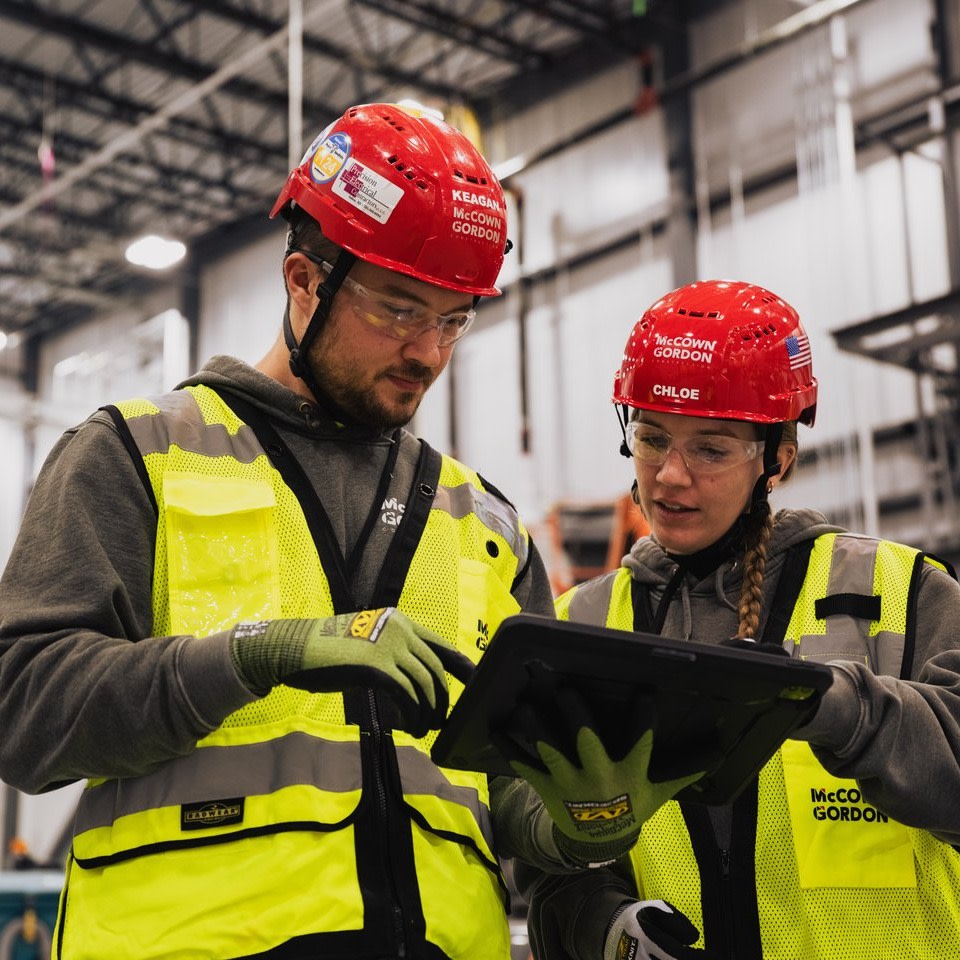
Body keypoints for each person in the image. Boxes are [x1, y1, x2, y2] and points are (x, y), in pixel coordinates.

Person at [0, 103, 653, 960]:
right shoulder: (135, 455)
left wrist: (578, 825)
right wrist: (253, 656)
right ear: (304, 280)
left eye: (453, 319)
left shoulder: (488, 525)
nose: (428, 351)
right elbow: (22, 714)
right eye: (397, 309)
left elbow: (509, 802)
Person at [518, 279, 960, 960]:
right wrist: (605, 931)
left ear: (776, 457)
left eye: (711, 449)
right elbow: (548, 869)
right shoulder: (586, 622)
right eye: (652, 438)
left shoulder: (895, 594)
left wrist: (844, 711)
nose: (668, 475)